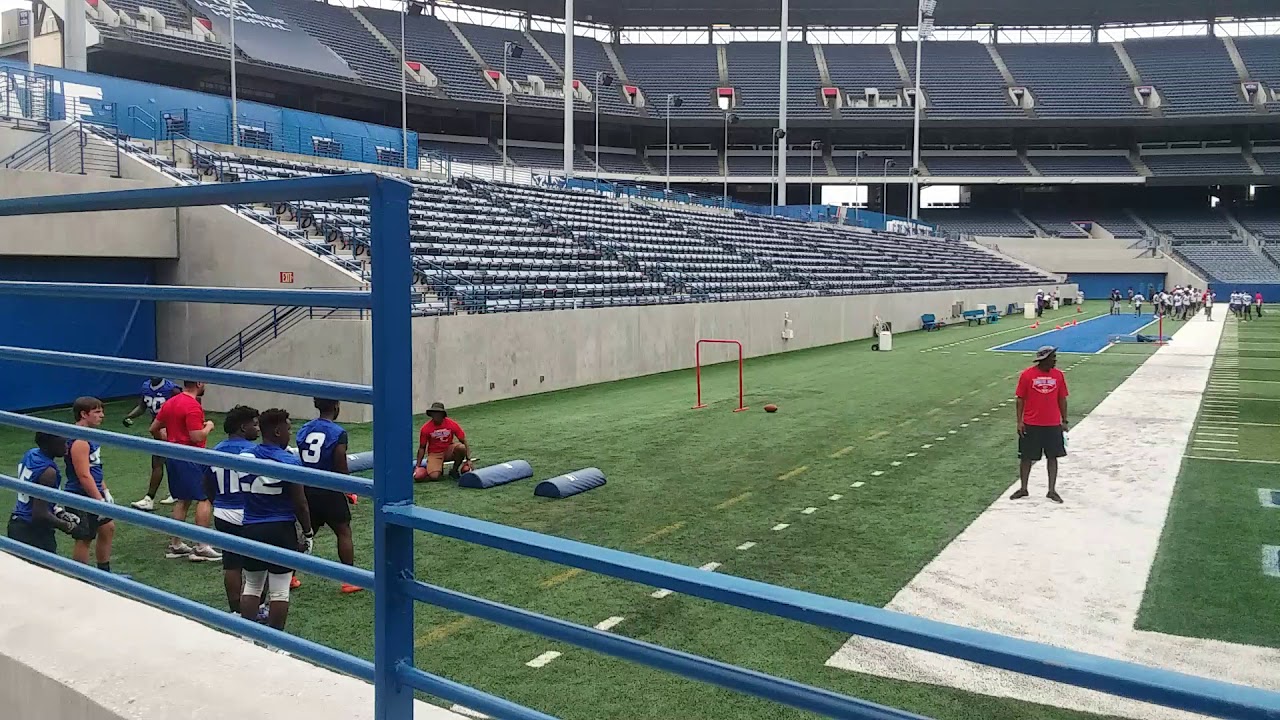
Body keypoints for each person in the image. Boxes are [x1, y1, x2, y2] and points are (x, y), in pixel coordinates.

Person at [240, 409, 314, 632]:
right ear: (277, 431)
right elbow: (300, 502)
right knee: (280, 590)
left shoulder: (245, 456)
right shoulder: (289, 461)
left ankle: (247, 639)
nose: (290, 434)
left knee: (252, 586)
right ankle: (275, 645)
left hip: (251, 524)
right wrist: (308, 532)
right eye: (288, 429)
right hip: (280, 526)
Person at [295, 398, 362, 594]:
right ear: (336, 407)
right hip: (329, 488)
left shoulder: (304, 429)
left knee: (307, 532)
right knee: (343, 531)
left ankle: (287, 574)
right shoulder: (338, 432)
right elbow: (340, 462)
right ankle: (349, 579)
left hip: (308, 487)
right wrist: (348, 488)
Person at [151, 380, 221, 562]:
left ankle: (176, 544)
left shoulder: (171, 402)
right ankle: (201, 546)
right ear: (198, 383)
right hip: (191, 456)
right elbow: (196, 436)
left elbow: (154, 428)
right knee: (204, 498)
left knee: (183, 499)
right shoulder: (192, 406)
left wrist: (170, 441)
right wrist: (209, 427)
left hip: (174, 456)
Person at [204, 405, 261, 613]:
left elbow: (208, 484)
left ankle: (235, 610)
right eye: (254, 425)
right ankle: (256, 607)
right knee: (258, 565)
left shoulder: (216, 450)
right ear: (243, 427)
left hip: (223, 511)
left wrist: (218, 501)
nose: (258, 429)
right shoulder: (252, 452)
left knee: (231, 564)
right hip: (248, 512)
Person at [64, 397, 118, 571]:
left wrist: (105, 490)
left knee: (107, 528)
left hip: (92, 492)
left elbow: (94, 468)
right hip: (80, 494)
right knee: (85, 537)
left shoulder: (90, 435)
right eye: (97, 412)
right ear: (83, 414)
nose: (102, 415)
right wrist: (99, 500)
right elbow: (83, 475)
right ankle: (82, 580)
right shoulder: (80, 440)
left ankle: (104, 573)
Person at [1012, 346, 1069, 504]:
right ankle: (1024, 488)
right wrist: (1019, 421)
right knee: (1026, 458)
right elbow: (1020, 399)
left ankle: (1051, 490)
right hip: (1031, 424)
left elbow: (1062, 398)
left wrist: (1064, 420)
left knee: (1053, 457)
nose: (1055, 360)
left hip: (1052, 423)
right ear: (1044, 359)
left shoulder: (1058, 375)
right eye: (1053, 357)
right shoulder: (1027, 375)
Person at [8, 432, 77, 553]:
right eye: (63, 443)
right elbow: (40, 514)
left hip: (17, 522)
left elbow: (34, 497)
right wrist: (67, 526)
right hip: (33, 532)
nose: (67, 446)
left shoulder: (31, 454)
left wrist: (58, 511)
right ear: (49, 444)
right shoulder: (48, 472)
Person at [126, 378, 181, 511]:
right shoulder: (146, 386)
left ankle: (149, 499)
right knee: (169, 461)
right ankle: (177, 492)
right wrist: (129, 416)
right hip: (157, 427)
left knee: (158, 461)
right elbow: (142, 406)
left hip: (170, 429)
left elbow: (183, 406)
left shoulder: (172, 389)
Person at [415, 402, 472, 482]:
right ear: (431, 414)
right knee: (434, 476)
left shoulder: (451, 424)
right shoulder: (425, 428)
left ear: (442, 414)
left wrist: (468, 459)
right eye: (434, 413)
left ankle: (454, 470)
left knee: (461, 448)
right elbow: (422, 447)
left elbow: (463, 440)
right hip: (434, 453)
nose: (436, 416)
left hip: (448, 449)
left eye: (438, 413)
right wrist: (418, 466)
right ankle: (436, 469)